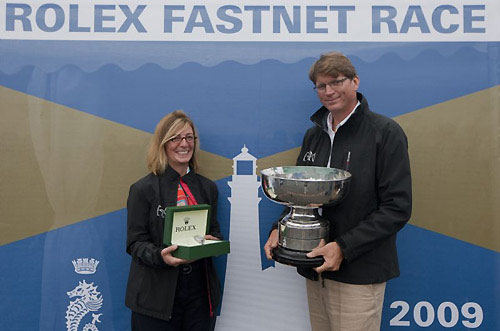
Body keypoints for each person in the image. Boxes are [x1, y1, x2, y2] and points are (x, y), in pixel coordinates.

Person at [264, 51, 412, 331]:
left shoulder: (385, 133)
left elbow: (397, 208)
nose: (329, 91)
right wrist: (279, 229)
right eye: (321, 86)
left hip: (359, 273)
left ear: (355, 82)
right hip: (316, 269)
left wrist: (343, 248)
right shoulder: (314, 135)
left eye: (336, 82)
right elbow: (299, 195)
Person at [125, 110, 222, 331]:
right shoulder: (142, 190)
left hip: (198, 297)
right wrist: (161, 256)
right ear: (163, 143)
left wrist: (210, 243)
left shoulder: (208, 188)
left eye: (189, 137)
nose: (183, 144)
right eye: (175, 138)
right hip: (155, 299)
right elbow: (135, 243)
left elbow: (216, 234)